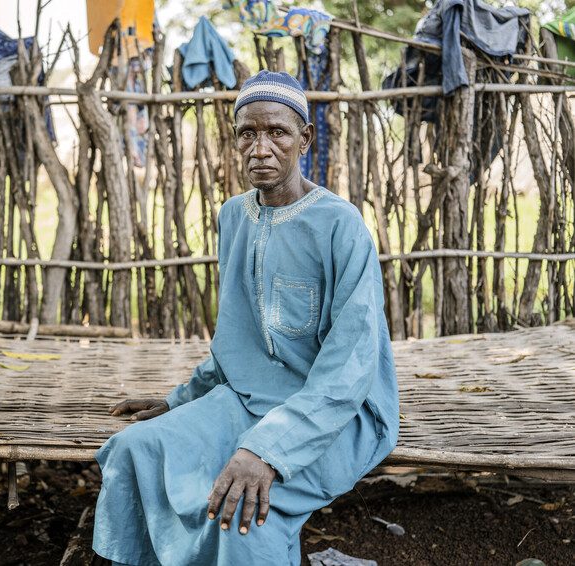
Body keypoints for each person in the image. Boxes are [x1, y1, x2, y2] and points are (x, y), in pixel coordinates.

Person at [92, 70, 400, 566]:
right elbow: (236, 333)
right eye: (247, 134)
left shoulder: (341, 226)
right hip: (248, 396)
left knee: (245, 513)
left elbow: (350, 367)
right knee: (135, 449)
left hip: (337, 413)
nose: (260, 148)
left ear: (305, 137)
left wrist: (268, 450)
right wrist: (181, 399)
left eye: (277, 132)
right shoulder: (234, 216)